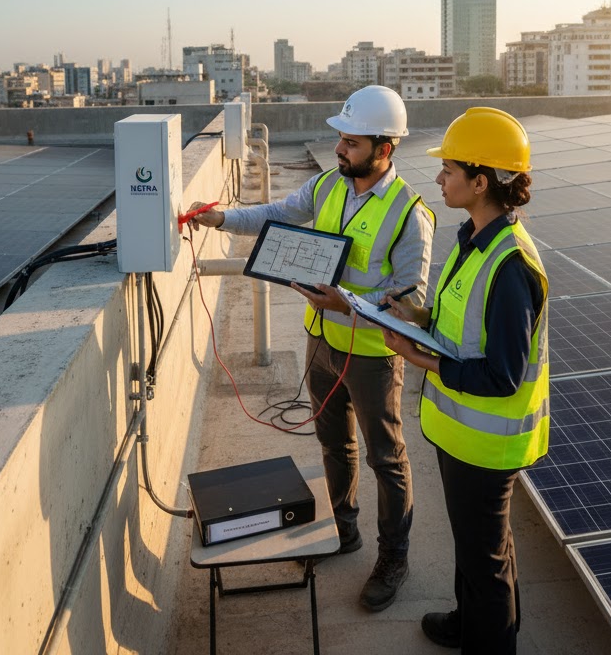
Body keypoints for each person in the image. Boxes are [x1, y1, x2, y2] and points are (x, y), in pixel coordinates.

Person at [189, 85, 435, 612]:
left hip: (370, 355)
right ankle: (344, 532)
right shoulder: (328, 185)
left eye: (350, 141)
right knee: (334, 445)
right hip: (320, 343)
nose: (340, 149)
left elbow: (411, 299)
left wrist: (348, 303)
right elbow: (277, 212)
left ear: (384, 148)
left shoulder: (410, 212)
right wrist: (222, 219)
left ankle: (394, 558)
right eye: (340, 140)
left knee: (386, 460)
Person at [380, 107, 548, 655]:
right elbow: (458, 322)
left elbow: (501, 375)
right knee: (482, 547)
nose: (439, 178)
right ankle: (468, 620)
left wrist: (419, 359)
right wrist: (416, 320)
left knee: (485, 558)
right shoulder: (476, 238)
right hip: (461, 435)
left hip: (487, 443)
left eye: (448, 170)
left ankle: (490, 641)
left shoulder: (511, 266)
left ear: (481, 182)